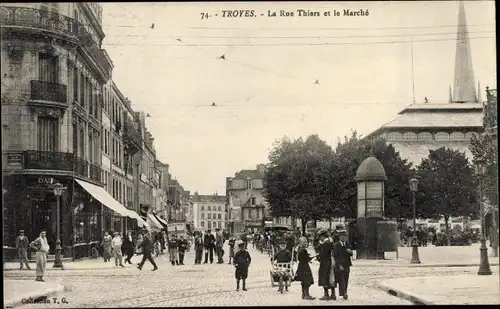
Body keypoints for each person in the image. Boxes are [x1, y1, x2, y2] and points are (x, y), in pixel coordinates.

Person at [316, 228, 336, 301]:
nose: (320, 239)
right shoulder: (330, 242)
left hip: (325, 262)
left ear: (322, 236)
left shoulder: (326, 243)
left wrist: (318, 257)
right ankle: (333, 294)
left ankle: (326, 294)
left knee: (325, 277)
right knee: (331, 277)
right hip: (330, 261)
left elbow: (323, 254)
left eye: (320, 237)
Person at [333, 229, 353, 300]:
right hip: (340, 265)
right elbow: (335, 256)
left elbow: (351, 254)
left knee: (346, 278)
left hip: (347, 264)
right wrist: (339, 265)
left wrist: (350, 252)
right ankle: (344, 293)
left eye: (345, 236)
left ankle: (345, 292)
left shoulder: (347, 244)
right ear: (340, 237)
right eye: (342, 236)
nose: (344, 238)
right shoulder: (336, 245)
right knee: (341, 279)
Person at [295, 236, 315, 300]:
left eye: (305, 242)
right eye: (304, 242)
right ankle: (306, 295)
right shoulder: (303, 250)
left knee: (304, 281)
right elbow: (304, 258)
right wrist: (310, 258)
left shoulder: (299, 249)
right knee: (307, 281)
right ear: (301, 243)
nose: (305, 243)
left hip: (301, 266)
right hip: (304, 266)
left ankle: (304, 294)